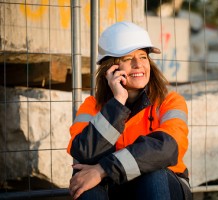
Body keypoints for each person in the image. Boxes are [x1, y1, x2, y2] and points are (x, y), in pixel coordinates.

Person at [67, 21, 192, 200]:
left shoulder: (170, 101)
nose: (138, 64)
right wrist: (117, 104)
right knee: (85, 184)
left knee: (152, 173)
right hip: (116, 186)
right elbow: (84, 153)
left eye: (143, 56)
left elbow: (167, 148)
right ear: (110, 69)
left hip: (164, 185)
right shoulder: (92, 106)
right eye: (127, 59)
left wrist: (104, 169)